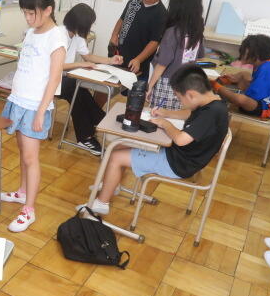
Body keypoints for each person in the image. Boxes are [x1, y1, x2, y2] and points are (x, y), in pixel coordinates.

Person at [78, 64, 228, 215]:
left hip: (178, 163)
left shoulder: (211, 113)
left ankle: (101, 204)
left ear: (191, 95)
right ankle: (111, 185)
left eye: (179, 98)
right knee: (119, 145)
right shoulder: (211, 103)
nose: (180, 102)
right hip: (180, 155)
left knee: (116, 157)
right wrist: (166, 113)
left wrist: (165, 124)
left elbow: (181, 140)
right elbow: (189, 113)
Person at [0, 0, 66, 232]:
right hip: (19, 100)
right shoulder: (31, 32)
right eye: (25, 13)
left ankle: (29, 209)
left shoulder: (56, 36)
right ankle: (22, 191)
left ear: (48, 10)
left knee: (31, 158)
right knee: (22, 153)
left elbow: (55, 77)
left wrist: (41, 111)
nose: (28, 18)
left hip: (35, 106)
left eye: (32, 13)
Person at [55, 3, 123, 155]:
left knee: (78, 89)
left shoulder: (77, 36)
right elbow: (55, 66)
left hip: (63, 80)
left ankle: (88, 133)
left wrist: (110, 60)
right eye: (89, 24)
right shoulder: (58, 35)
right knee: (75, 87)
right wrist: (80, 64)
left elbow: (88, 56)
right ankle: (99, 121)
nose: (90, 27)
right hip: (48, 81)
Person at [147, 0, 205, 110]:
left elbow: (162, 64)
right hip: (187, 84)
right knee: (176, 116)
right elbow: (199, 57)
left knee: (158, 115)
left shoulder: (172, 32)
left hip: (167, 85)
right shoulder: (197, 32)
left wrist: (149, 86)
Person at [109, 0, 169, 81]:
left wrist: (138, 59)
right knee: (111, 82)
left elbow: (154, 42)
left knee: (133, 88)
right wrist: (114, 35)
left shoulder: (162, 14)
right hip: (119, 54)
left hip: (139, 61)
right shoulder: (133, 2)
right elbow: (122, 19)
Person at [212, 34, 270, 119]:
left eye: (244, 52)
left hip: (265, 108)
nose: (241, 54)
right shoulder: (266, 64)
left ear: (256, 55)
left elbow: (247, 100)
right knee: (244, 74)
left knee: (241, 99)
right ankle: (221, 85)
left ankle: (216, 87)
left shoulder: (266, 70)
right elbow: (255, 86)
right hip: (265, 101)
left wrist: (219, 87)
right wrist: (239, 78)